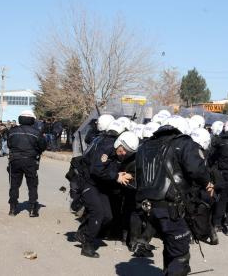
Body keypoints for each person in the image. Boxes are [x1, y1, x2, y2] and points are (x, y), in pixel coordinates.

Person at [135, 116, 213, 275]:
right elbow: (197, 169)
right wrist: (207, 182)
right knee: (180, 254)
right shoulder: (183, 143)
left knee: (170, 245)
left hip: (148, 207)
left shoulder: (146, 144)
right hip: (171, 207)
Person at [77, 130, 137, 258]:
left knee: (107, 216)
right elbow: (96, 169)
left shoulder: (121, 155)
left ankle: (83, 232)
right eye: (123, 149)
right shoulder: (106, 148)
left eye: (128, 152)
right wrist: (116, 176)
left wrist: (125, 174)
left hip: (101, 185)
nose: (124, 153)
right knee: (97, 212)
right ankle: (87, 245)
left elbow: (113, 168)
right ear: (119, 144)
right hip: (88, 182)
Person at [7, 110, 47, 217]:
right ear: (32, 120)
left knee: (14, 185)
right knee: (32, 185)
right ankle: (33, 209)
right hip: (30, 161)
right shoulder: (36, 132)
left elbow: (9, 144)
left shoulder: (12, 131)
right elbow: (43, 146)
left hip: (14, 160)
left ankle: (12, 208)